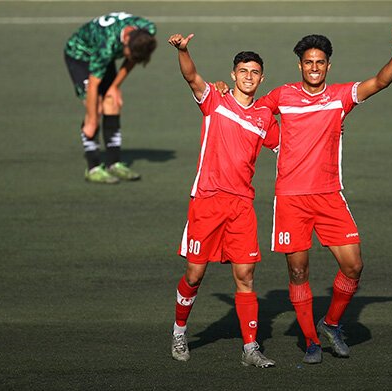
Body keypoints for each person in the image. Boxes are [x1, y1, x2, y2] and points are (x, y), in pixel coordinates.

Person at [258, 28, 392, 364]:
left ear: (328, 66)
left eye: (320, 62)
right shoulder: (282, 95)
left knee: (354, 265)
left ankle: (330, 323)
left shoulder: (340, 97)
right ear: (300, 65)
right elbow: (253, 113)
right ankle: (312, 342)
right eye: (308, 62)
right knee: (298, 273)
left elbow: (379, 82)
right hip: (291, 199)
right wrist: (277, 141)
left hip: (329, 196)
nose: (314, 67)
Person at [168, 33, 279, 368]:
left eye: (254, 72)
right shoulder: (215, 100)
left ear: (262, 77)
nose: (248, 76)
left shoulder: (264, 118)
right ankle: (179, 332)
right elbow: (191, 76)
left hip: (242, 206)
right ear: (233, 75)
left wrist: (332, 128)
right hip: (207, 201)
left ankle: (250, 349)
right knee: (194, 274)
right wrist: (184, 51)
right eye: (243, 70)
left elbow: (291, 145)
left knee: (245, 276)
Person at [64, 12, 157, 184]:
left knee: (112, 103)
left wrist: (115, 87)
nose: (129, 58)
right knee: (97, 107)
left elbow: (132, 59)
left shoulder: (147, 31)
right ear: (125, 42)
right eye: (128, 54)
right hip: (81, 56)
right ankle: (93, 168)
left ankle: (114, 163)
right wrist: (92, 119)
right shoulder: (106, 45)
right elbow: (93, 84)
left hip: (105, 60)